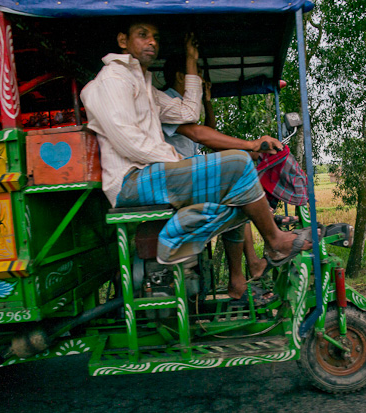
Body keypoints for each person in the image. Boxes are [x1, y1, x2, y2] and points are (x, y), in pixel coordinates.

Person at [80, 19, 311, 304]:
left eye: (155, 37)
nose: (152, 42)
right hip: (130, 182)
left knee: (244, 196)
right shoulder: (112, 80)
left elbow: (189, 112)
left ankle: (180, 238)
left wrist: (191, 60)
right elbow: (130, 142)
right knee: (238, 165)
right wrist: (177, 159)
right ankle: (274, 243)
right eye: (143, 35)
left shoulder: (144, 85)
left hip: (150, 174)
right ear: (123, 41)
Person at [160, 56, 276, 293]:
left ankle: (242, 276)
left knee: (238, 189)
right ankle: (248, 269)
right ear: (183, 76)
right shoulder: (168, 102)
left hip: (187, 175)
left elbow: (208, 133)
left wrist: (209, 101)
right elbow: (200, 134)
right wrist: (250, 145)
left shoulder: (182, 104)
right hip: (177, 180)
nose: (201, 80)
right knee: (237, 191)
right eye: (197, 73)